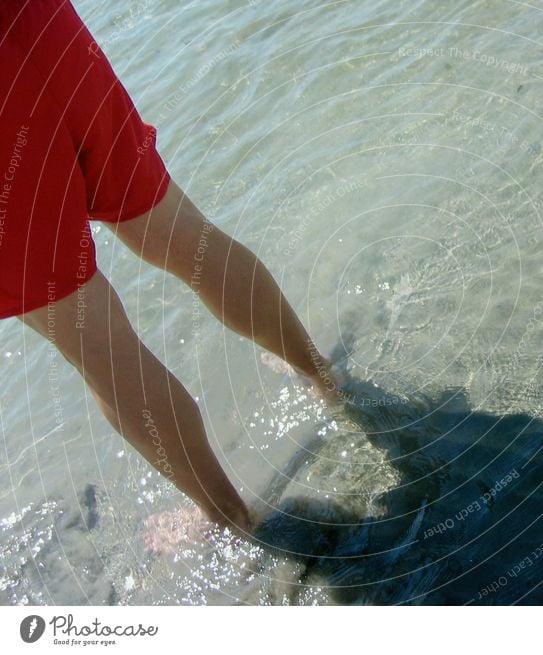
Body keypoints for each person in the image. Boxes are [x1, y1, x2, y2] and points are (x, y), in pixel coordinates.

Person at [0, 0, 342, 539]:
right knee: (183, 236)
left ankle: (228, 515)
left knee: (97, 345)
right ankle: (324, 379)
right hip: (40, 27)